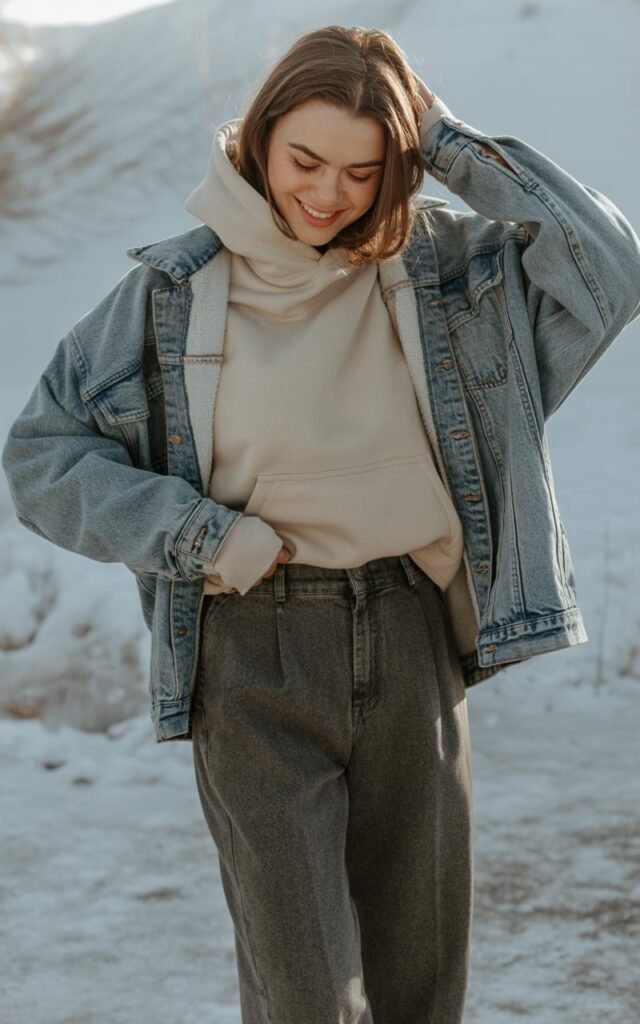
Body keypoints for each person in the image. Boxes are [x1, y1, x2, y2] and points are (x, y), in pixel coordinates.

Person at [2, 23, 640, 1024]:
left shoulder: (450, 278)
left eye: (364, 167)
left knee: (414, 989)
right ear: (257, 142)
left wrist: (447, 140)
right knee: (304, 994)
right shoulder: (171, 295)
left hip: (409, 635)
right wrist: (202, 536)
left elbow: (607, 266)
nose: (329, 192)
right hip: (249, 649)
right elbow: (40, 458)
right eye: (304, 159)